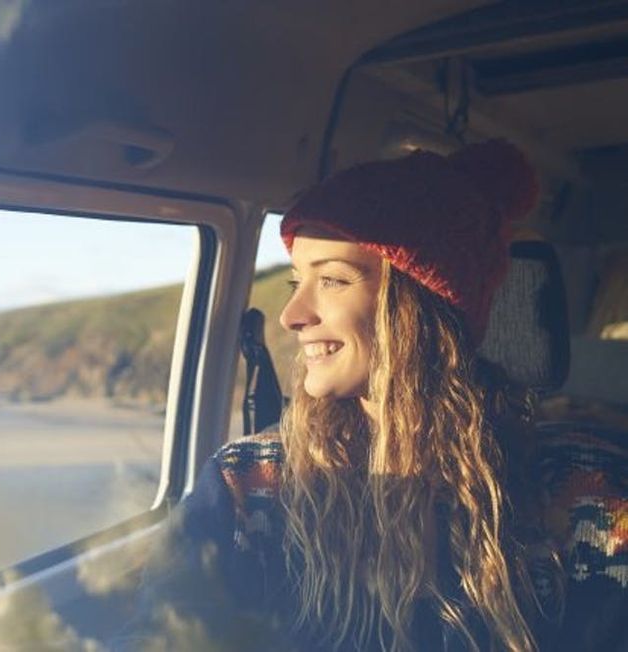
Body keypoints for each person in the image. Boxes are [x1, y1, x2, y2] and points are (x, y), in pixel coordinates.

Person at [111, 141, 627, 651]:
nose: (292, 315)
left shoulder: (585, 489)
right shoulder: (249, 483)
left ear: (419, 306)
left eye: (332, 280)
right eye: (296, 281)